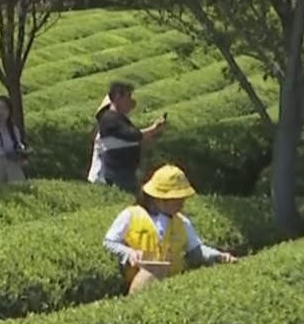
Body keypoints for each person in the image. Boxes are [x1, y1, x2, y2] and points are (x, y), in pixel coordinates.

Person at [103, 164, 237, 294]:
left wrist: (218, 256)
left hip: (170, 289)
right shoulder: (130, 215)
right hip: (137, 285)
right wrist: (128, 253)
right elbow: (109, 242)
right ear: (160, 199)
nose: (182, 203)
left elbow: (196, 251)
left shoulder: (182, 222)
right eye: (177, 199)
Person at [89, 81, 165, 191]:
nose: (131, 101)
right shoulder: (109, 118)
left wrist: (155, 132)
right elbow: (132, 135)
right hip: (114, 176)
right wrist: (153, 129)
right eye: (128, 96)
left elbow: (134, 139)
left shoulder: (120, 119)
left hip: (124, 174)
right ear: (117, 97)